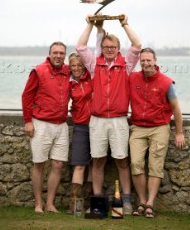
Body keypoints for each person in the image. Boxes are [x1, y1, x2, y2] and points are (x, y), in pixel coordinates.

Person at [76, 14, 142, 215]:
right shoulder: (95, 65)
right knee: (98, 160)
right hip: (97, 120)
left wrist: (124, 24)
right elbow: (80, 46)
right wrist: (89, 24)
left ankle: (127, 201)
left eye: (113, 47)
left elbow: (137, 45)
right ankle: (96, 201)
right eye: (106, 47)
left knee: (122, 161)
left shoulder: (126, 65)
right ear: (102, 49)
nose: (109, 50)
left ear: (118, 48)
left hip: (119, 120)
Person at [129, 47, 185, 218]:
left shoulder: (166, 82)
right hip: (138, 127)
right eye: (143, 60)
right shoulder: (132, 78)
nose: (146, 63)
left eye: (149, 60)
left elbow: (176, 108)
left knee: (155, 166)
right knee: (135, 164)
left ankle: (150, 204)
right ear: (140, 61)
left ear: (155, 60)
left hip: (159, 127)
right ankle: (142, 200)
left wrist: (180, 133)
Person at [22, 42, 70, 213]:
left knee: (57, 165)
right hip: (41, 124)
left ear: (65, 55)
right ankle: (38, 204)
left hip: (61, 125)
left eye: (61, 53)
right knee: (39, 164)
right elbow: (26, 96)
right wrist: (28, 121)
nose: (58, 55)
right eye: (55, 52)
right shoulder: (39, 70)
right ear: (49, 54)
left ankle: (50, 204)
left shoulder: (68, 71)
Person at [66, 22, 105, 214]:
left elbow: (97, 51)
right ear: (69, 67)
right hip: (81, 126)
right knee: (80, 164)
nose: (76, 68)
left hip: (98, 125)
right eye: (73, 65)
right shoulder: (69, 83)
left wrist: (98, 30)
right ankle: (75, 205)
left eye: (80, 65)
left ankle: (90, 204)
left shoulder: (92, 75)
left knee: (95, 164)